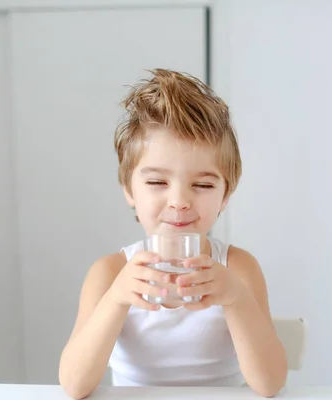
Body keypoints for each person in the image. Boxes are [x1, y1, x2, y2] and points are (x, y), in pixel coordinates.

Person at [58, 69, 287, 399]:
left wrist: (235, 297)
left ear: (225, 195)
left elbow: (269, 384)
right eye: (156, 182)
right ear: (129, 189)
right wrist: (117, 297)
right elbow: (75, 385)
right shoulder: (108, 273)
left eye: (203, 185)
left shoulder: (238, 267)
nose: (180, 201)